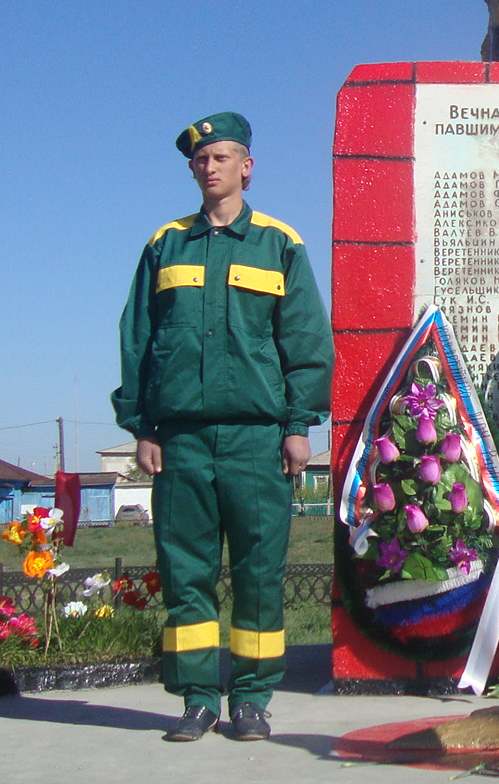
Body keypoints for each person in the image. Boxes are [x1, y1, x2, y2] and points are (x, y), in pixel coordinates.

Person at [112, 112, 332, 743]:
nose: (209, 168)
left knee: (260, 572)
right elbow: (138, 339)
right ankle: (199, 698)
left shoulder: (279, 244)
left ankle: (254, 698)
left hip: (257, 437)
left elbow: (307, 340)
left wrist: (299, 424)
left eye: (221, 157)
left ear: (247, 167)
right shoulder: (165, 245)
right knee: (186, 572)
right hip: (180, 439)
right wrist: (142, 424)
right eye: (200, 160)